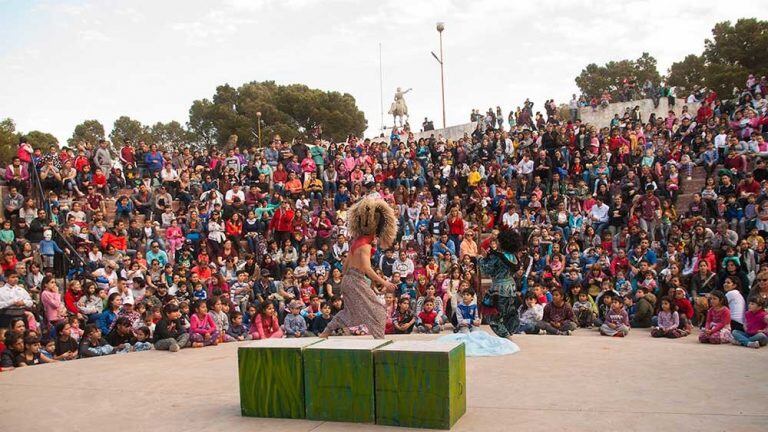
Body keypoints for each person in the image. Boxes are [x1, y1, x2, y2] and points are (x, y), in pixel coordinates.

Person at [319, 196, 397, 339]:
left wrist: (351, 279)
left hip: (348, 280)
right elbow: (367, 269)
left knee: (351, 313)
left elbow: (345, 267)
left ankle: (326, 332)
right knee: (378, 309)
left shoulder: (356, 243)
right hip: (355, 281)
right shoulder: (365, 246)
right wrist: (385, 282)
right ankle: (379, 339)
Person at [478, 230, 522, 338]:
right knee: (508, 313)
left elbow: (487, 270)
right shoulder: (514, 256)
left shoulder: (497, 256)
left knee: (492, 315)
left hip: (499, 288)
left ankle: (507, 336)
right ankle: (509, 333)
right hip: (511, 286)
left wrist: (480, 259)